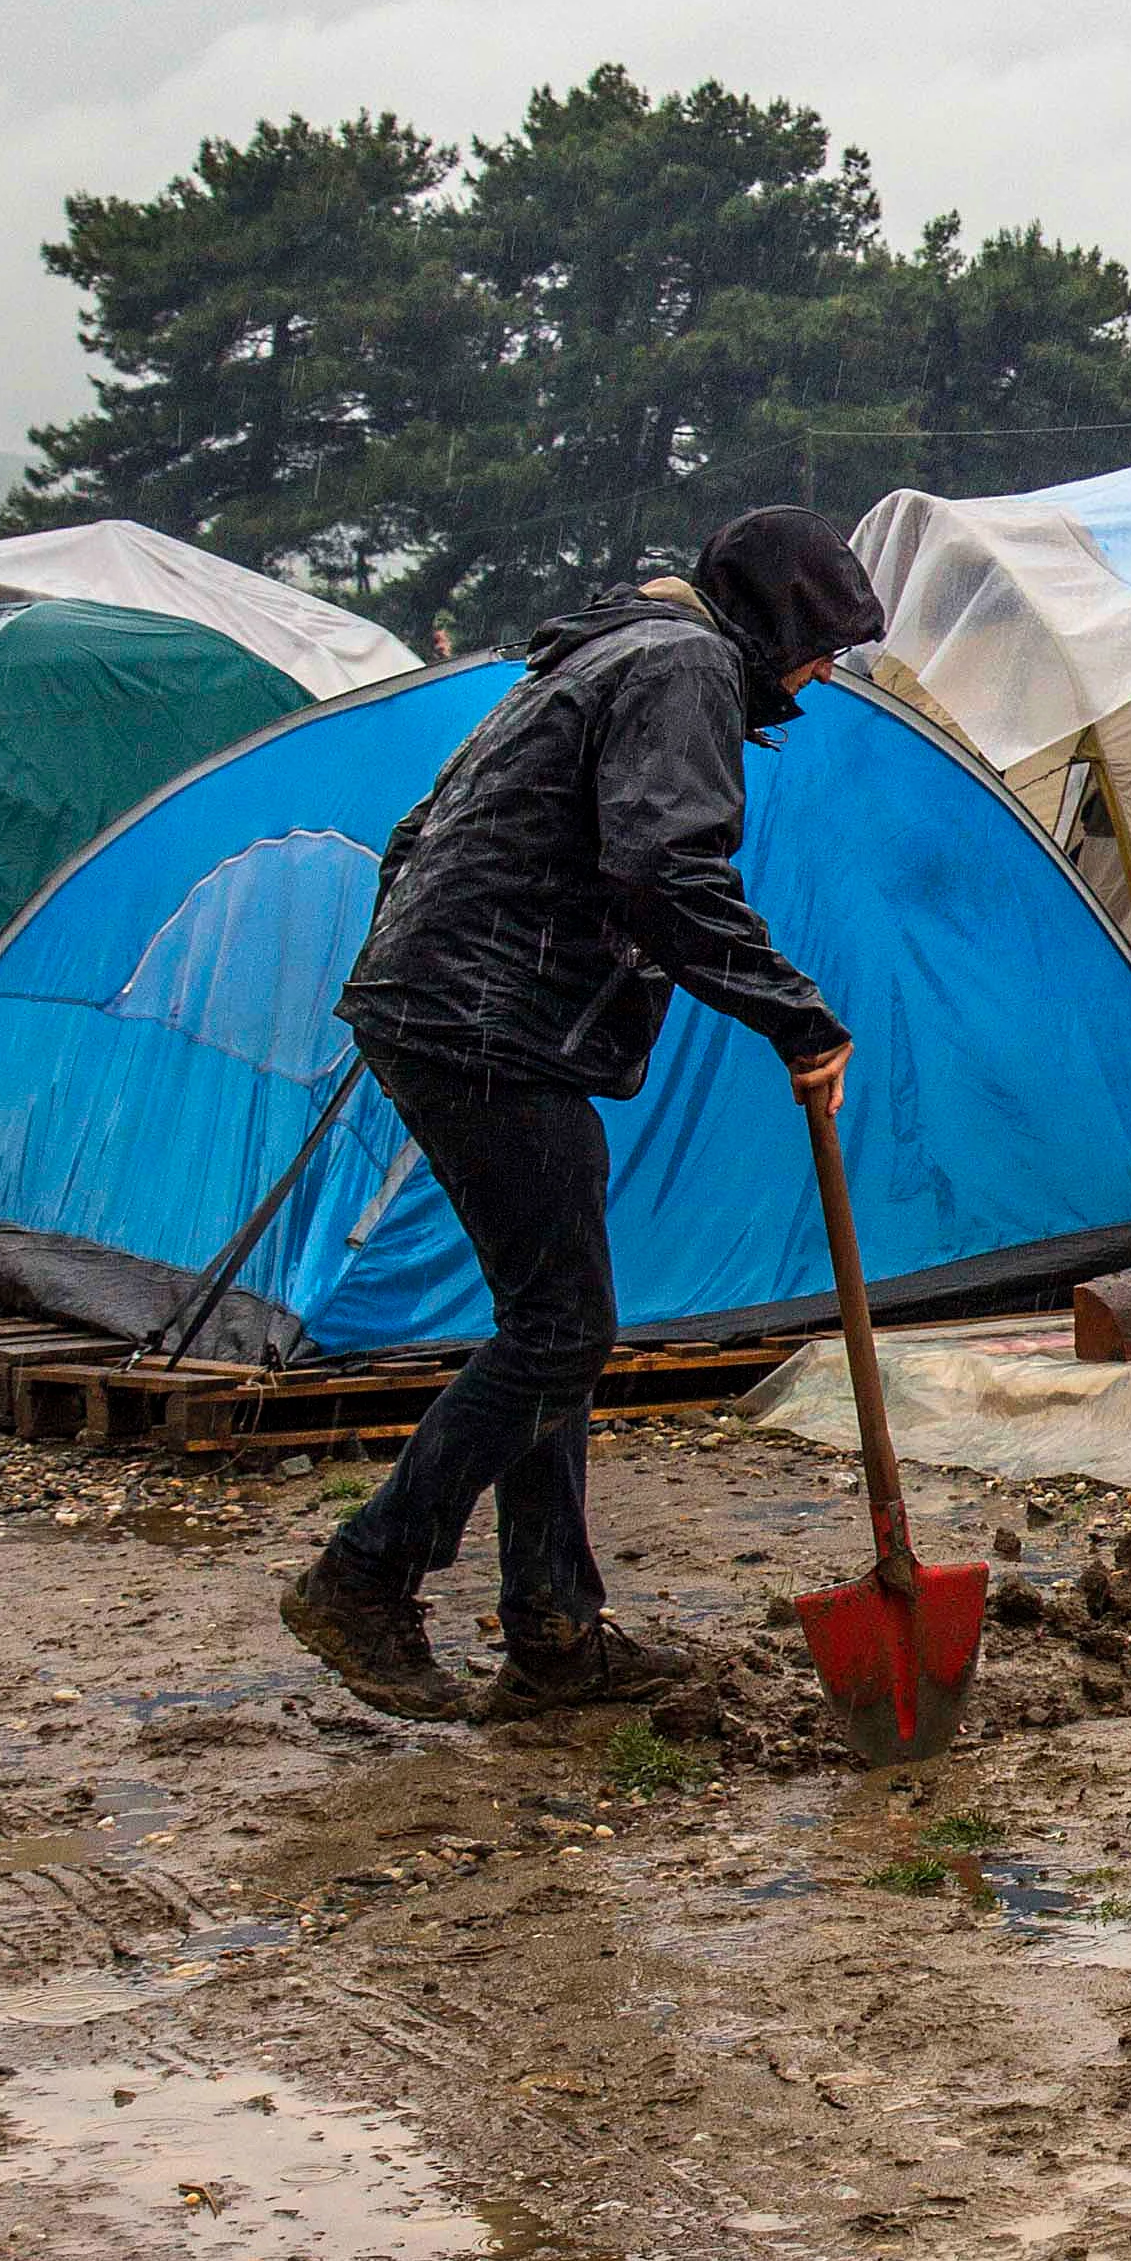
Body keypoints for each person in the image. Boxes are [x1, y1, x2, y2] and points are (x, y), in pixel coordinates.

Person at [276, 509, 888, 1723]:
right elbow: (662, 866)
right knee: (561, 1327)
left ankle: (554, 1631)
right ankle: (365, 1572)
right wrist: (796, 1015)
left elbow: (423, 833)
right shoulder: (684, 665)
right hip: (488, 1021)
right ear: (774, 624)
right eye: (822, 650)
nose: (819, 681)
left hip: (450, 1006)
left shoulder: (598, 654)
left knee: (551, 1321)